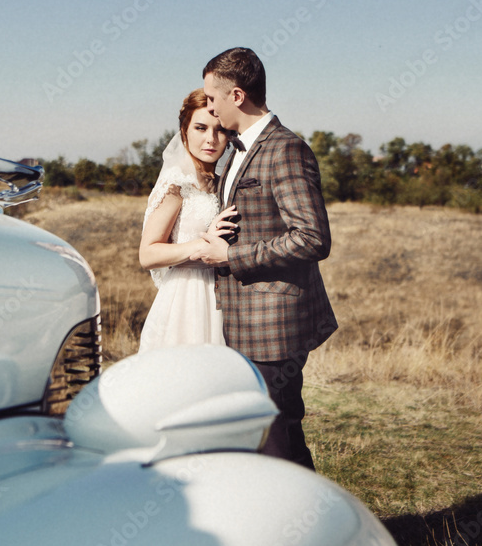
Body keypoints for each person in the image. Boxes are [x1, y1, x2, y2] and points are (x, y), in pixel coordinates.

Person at [191, 48, 337, 469]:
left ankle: (302, 526)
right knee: (273, 434)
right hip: (243, 320)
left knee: (277, 438)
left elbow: (312, 238)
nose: (211, 108)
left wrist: (232, 255)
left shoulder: (285, 149)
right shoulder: (236, 151)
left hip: (274, 326)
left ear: (236, 96)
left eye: (213, 98)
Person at [138, 88, 237, 352]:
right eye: (201, 128)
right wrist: (202, 245)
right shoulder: (177, 183)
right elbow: (147, 254)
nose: (211, 139)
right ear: (184, 131)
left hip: (223, 296)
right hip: (186, 299)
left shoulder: (221, 181)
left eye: (220, 130)